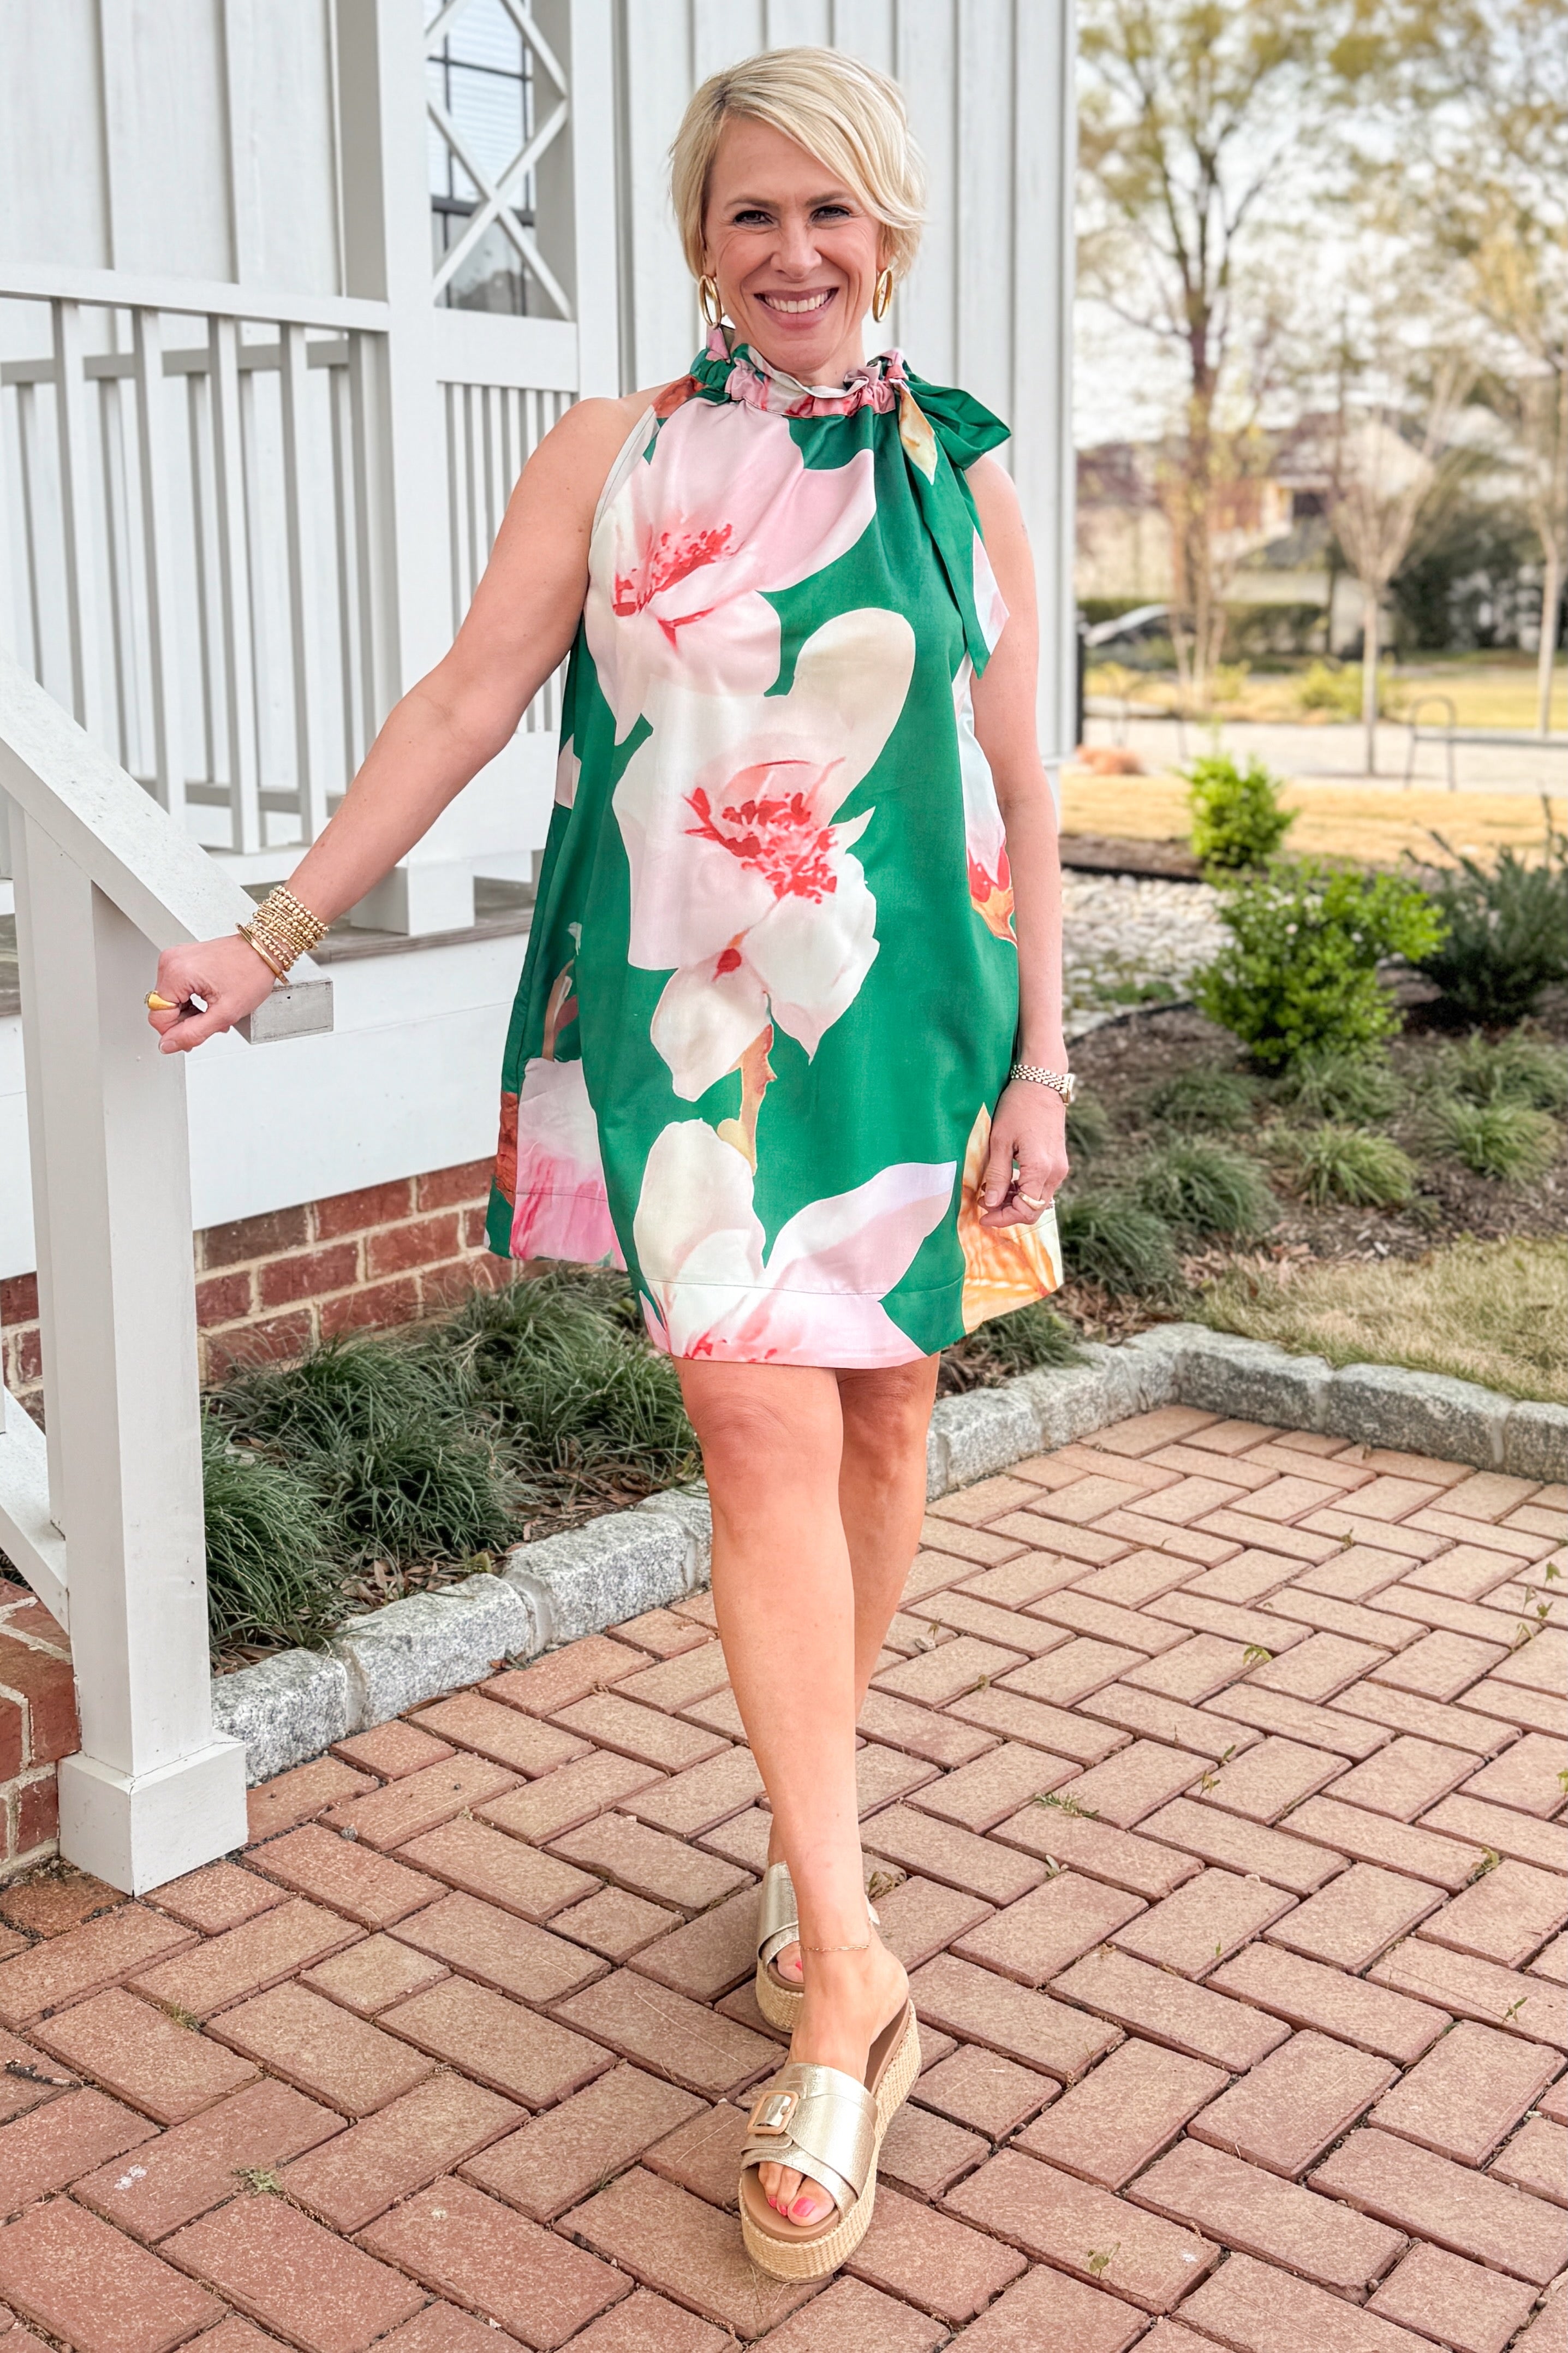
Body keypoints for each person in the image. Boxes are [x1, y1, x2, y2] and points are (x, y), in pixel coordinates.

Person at [147, 45, 1072, 2280]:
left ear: (889, 233)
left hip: (916, 1017)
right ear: (697, 240)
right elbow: (475, 692)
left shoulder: (958, 470)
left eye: (827, 214)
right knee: (757, 1427)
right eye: (751, 214)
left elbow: (1020, 779)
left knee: (877, 1426)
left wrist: (1044, 1057)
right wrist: (277, 925)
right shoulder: (614, 453)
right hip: (691, 1025)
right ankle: (848, 1973)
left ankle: (803, 1845)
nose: (792, 253)